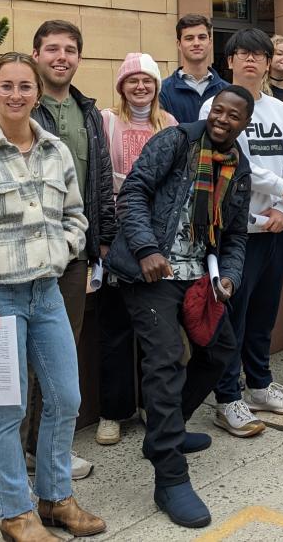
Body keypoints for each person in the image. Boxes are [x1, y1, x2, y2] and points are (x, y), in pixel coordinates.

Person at [0, 53, 105, 541]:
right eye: (6, 86)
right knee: (7, 410)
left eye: (25, 87)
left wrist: (63, 249)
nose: (16, 95)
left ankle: (55, 498)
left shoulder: (55, 150)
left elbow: (76, 216)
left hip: (47, 293)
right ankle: (15, 511)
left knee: (65, 397)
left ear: (38, 93)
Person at [105, 87, 253, 529]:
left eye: (233, 116)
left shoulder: (238, 167)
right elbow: (132, 193)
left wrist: (229, 276)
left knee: (220, 352)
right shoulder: (176, 141)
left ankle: (163, 433)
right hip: (151, 273)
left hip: (198, 277)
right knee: (166, 362)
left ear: (244, 123)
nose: (222, 119)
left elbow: (237, 236)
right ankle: (170, 477)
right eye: (218, 111)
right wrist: (147, 248)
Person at [0, 20, 114, 480]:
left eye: (70, 50)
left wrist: (95, 242)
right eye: (52, 49)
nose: (62, 57)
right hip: (13, 265)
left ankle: (46, 452)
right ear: (37, 56)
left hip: (68, 257)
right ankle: (15, 459)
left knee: (60, 363)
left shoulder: (87, 111)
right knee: (18, 373)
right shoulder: (6, 114)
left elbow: (97, 183)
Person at [199, 29, 283, 437]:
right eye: (243, 54)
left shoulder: (279, 109)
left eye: (258, 55)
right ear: (230, 61)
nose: (251, 61)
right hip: (236, 229)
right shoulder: (215, 104)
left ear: (268, 63)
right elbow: (227, 157)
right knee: (233, 318)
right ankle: (227, 398)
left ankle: (259, 385)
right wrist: (281, 189)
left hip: (276, 227)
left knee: (264, 313)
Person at [94, 53, 177, 447]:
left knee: (154, 327)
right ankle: (113, 410)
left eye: (148, 81)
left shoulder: (170, 125)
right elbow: (99, 177)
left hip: (155, 239)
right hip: (117, 235)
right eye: (133, 81)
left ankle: (149, 404)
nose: (140, 87)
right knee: (114, 328)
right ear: (121, 86)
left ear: (157, 86)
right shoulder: (106, 121)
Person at [160, 14, 229, 123]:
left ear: (210, 42)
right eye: (189, 38)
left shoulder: (228, 91)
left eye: (202, 37)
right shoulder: (162, 91)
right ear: (179, 44)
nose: (196, 43)